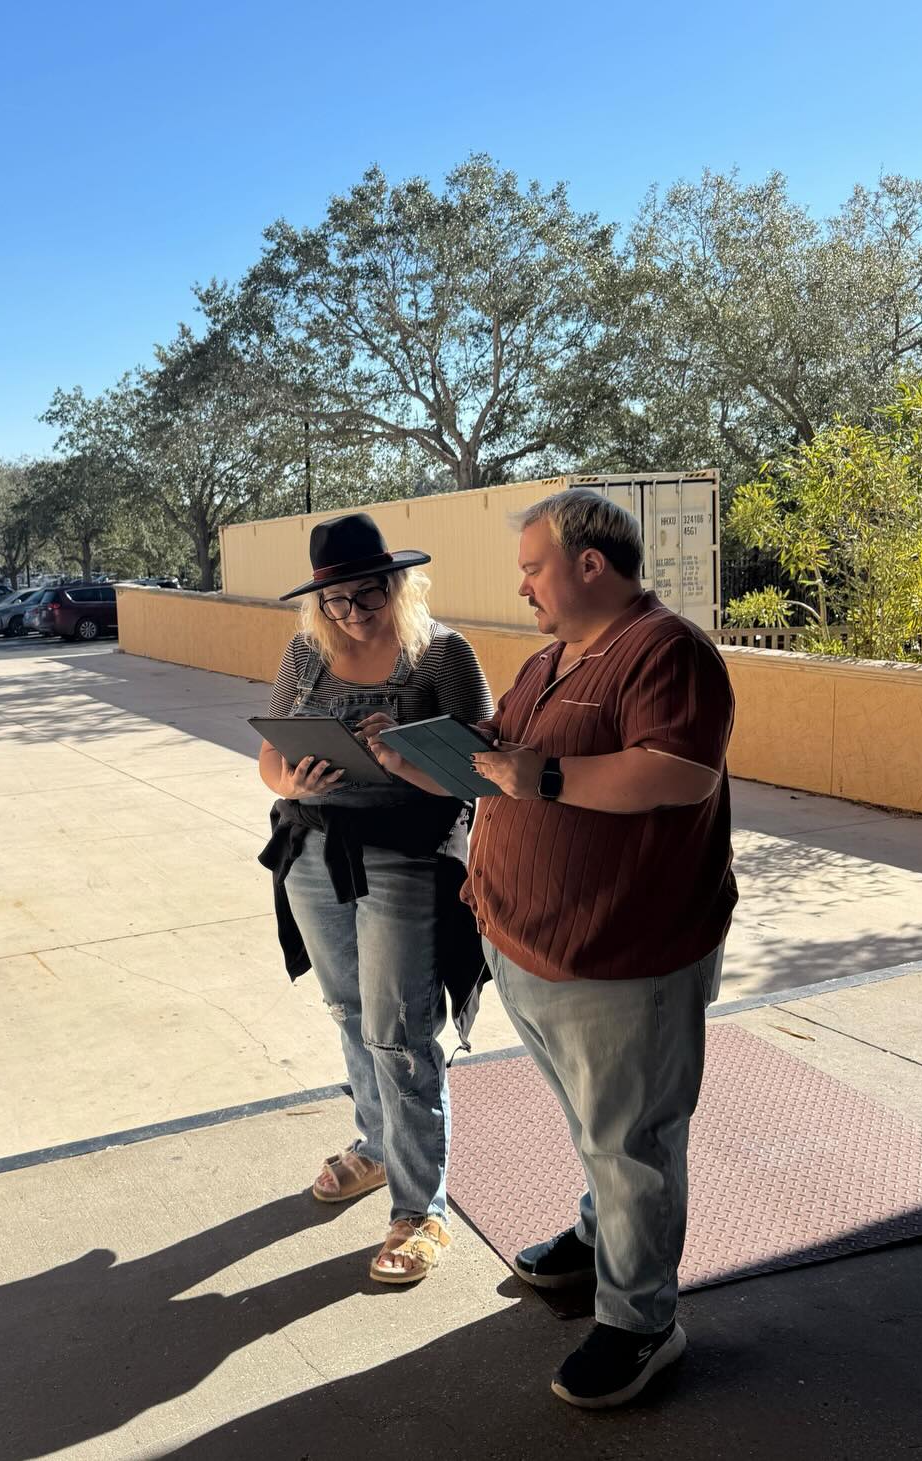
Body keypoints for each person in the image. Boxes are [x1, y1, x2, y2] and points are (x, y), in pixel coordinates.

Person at [464, 489, 736, 1409]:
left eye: (533, 568)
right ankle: (599, 1239)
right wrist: (441, 749)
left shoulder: (667, 650)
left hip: (625, 957)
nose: (524, 587)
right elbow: (509, 750)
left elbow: (677, 772)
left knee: (632, 1142)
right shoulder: (548, 660)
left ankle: (641, 1320)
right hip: (529, 946)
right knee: (598, 1128)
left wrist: (540, 772)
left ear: (590, 563)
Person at [257, 513, 492, 1285]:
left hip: (405, 855)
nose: (352, 612)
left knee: (400, 1031)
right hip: (312, 849)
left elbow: (485, 767)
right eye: (336, 600)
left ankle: (422, 1209)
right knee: (349, 1010)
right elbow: (270, 756)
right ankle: (377, 1143)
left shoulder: (442, 654)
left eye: (368, 594)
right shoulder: (306, 652)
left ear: (398, 583)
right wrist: (291, 780)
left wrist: (405, 756)